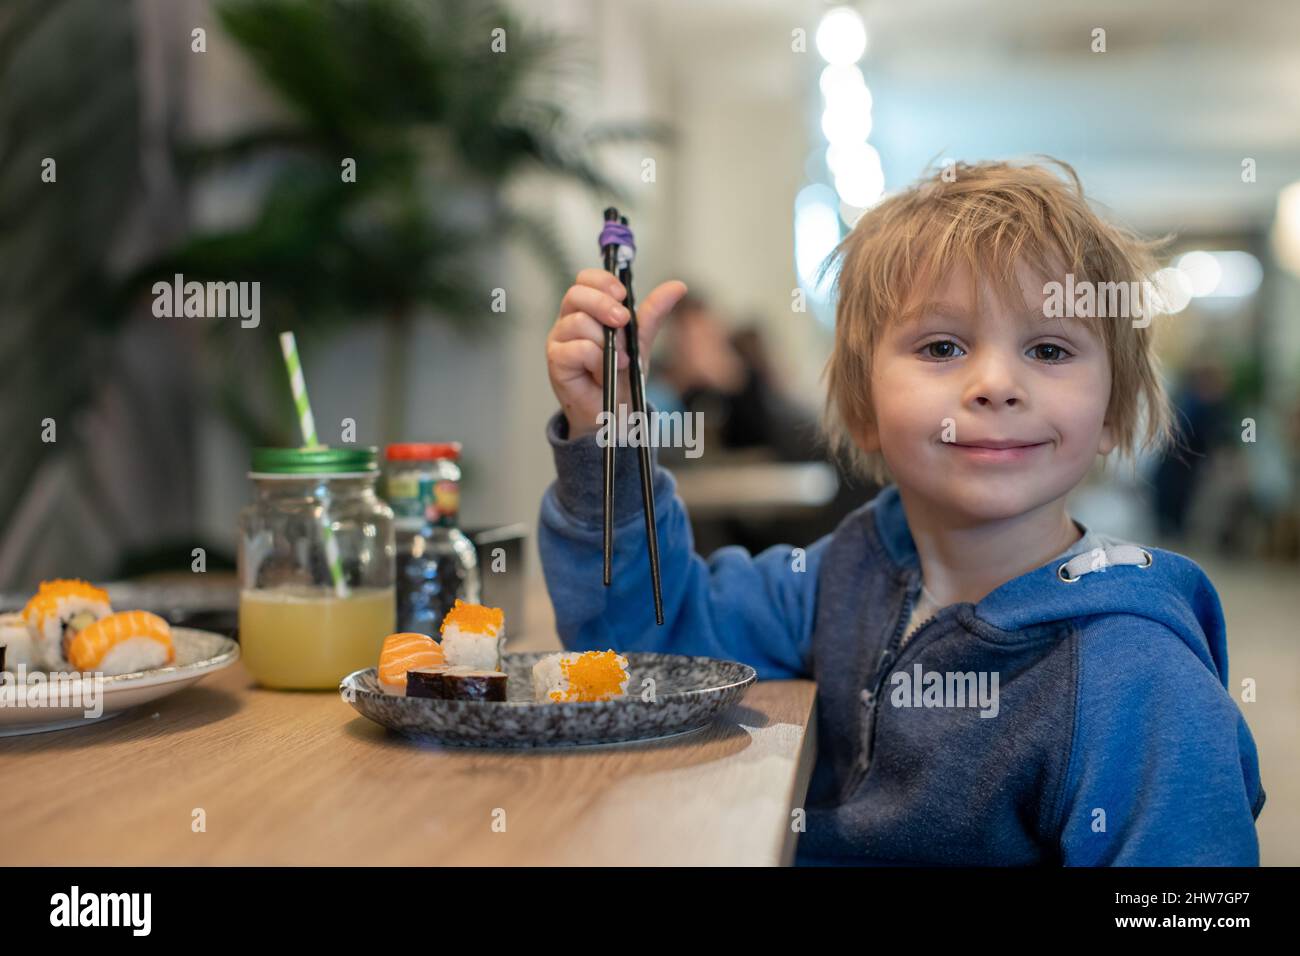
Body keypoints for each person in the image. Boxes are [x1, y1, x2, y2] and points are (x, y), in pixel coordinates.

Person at [539, 159, 1264, 865]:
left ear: (1113, 411)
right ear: (863, 409)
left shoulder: (1141, 676)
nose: (997, 384)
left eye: (1048, 348)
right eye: (942, 345)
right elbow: (648, 647)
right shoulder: (842, 574)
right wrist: (609, 439)